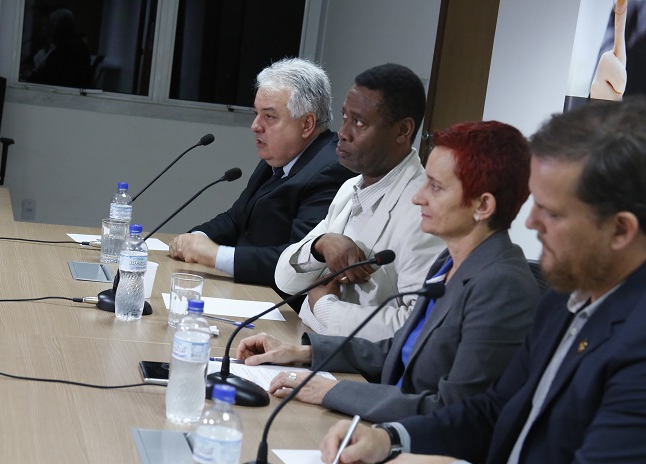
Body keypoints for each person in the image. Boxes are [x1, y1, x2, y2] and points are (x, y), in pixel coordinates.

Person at [320, 97, 646, 464]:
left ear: (621, 230)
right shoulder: (565, 300)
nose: (530, 225)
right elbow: (492, 410)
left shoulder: (638, 344)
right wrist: (390, 439)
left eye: (551, 213)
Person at [236, 121, 540, 423]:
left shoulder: (502, 285)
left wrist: (333, 391)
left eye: (435, 186)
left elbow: (454, 409)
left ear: (482, 206)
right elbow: (400, 350)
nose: (418, 197)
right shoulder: (449, 262)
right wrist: (303, 352)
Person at [274, 64, 442, 342]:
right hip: (307, 341)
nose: (343, 133)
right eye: (344, 117)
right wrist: (320, 245)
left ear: (403, 130)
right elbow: (285, 279)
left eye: (359, 123)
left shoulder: (423, 211)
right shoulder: (350, 187)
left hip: (359, 370)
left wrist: (325, 307)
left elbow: (418, 329)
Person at [168, 58, 355, 293]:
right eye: (256, 114)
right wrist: (195, 238)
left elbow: (299, 260)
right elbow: (236, 218)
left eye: (269, 116)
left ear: (307, 124)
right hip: (245, 289)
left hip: (279, 307)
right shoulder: (281, 155)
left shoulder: (330, 170)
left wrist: (216, 255)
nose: (255, 126)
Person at [27, 8, 92, 89]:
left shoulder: (67, 49)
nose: (50, 31)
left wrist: (29, 77)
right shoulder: (74, 44)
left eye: (52, 27)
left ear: (60, 28)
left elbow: (50, 76)